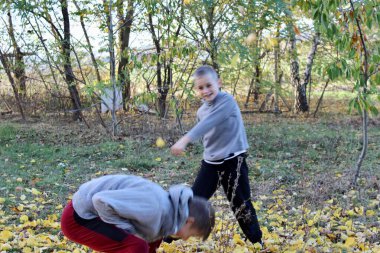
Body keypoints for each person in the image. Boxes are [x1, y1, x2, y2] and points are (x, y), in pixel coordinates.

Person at [171, 65, 262, 244]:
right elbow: (205, 135)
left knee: (241, 204)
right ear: (196, 89)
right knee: (193, 201)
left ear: (218, 83)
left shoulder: (227, 101)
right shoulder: (201, 111)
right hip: (211, 164)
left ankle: (257, 243)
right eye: (200, 87)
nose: (205, 90)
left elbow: (209, 123)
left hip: (233, 161)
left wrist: (185, 139)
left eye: (209, 85)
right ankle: (165, 237)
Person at [60, 174, 215, 253]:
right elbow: (100, 200)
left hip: (94, 214)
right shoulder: (155, 207)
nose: (186, 239)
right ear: (189, 221)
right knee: (136, 245)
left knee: (151, 240)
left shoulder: (168, 212)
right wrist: (126, 230)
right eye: (192, 234)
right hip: (78, 219)